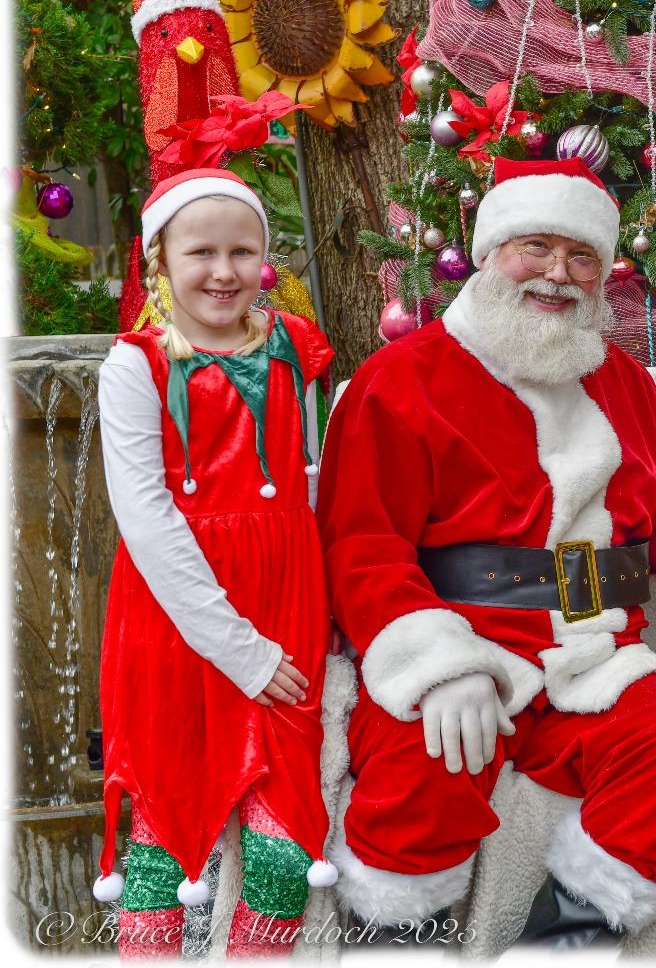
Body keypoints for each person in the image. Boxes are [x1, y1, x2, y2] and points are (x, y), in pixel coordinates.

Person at [316, 157, 656, 947]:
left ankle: (559, 952)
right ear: (489, 254)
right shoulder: (398, 382)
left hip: (597, 656)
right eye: (537, 248)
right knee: (422, 768)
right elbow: (362, 548)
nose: (559, 274)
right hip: (465, 646)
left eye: (582, 256)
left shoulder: (622, 382)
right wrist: (439, 667)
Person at [93, 168, 338, 958]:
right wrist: (242, 653)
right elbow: (150, 524)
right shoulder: (135, 368)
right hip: (176, 623)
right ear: (158, 257)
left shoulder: (294, 350)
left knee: (283, 851)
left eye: (243, 251)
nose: (224, 271)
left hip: (285, 606)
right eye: (201, 252)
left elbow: (310, 477)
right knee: (165, 841)